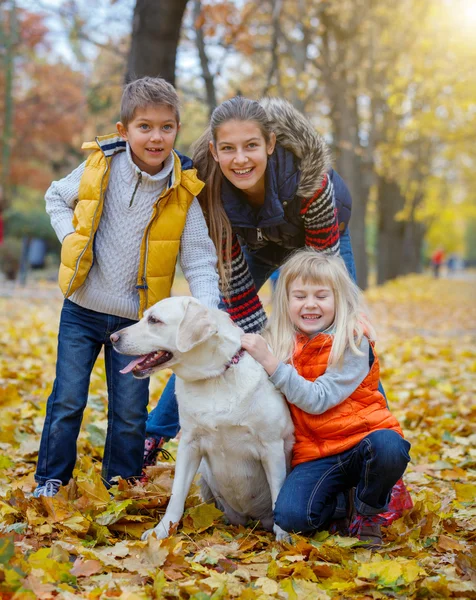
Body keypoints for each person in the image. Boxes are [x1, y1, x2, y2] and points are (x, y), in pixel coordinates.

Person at [33, 77, 221, 497]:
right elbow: (56, 197)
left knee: (131, 412)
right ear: (124, 130)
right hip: (82, 308)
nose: (156, 137)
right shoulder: (100, 166)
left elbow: (199, 260)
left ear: (177, 128)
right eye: (145, 127)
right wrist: (70, 238)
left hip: (140, 321)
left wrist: (206, 311)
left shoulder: (182, 190)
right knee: (67, 400)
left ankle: (120, 484)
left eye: (167, 127)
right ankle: (50, 480)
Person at [143, 96, 355, 463]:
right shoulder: (209, 194)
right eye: (228, 148)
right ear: (215, 149)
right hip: (257, 241)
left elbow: (324, 279)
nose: (240, 159)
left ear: (270, 144)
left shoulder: (311, 181)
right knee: (211, 333)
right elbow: (237, 292)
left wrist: (300, 332)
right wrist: (263, 347)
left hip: (317, 240)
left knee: (342, 333)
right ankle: (151, 437)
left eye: (251, 146)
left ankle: (366, 436)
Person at [241, 249, 411, 546]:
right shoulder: (279, 342)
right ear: (286, 301)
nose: (310, 304)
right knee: (290, 518)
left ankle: (368, 512)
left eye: (321, 296)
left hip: (363, 443)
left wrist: (270, 363)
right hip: (315, 454)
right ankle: (340, 503)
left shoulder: (353, 341)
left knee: (390, 446)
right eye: (300, 296)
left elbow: (317, 399)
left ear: (338, 299)